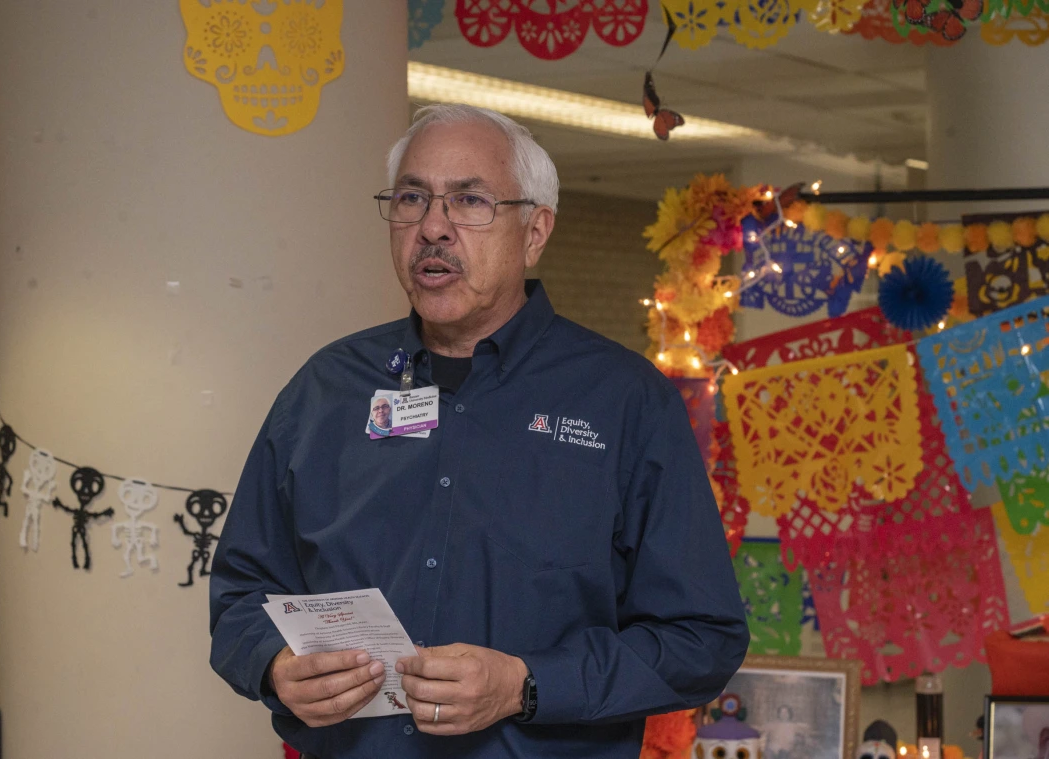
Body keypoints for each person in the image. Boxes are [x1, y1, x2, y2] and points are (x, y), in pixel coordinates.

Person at [209, 103, 749, 759]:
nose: (432, 227)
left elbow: (702, 638)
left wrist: (526, 683)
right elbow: (241, 595)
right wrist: (272, 662)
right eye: (411, 198)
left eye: (469, 201)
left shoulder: (626, 402)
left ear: (535, 230)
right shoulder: (324, 390)